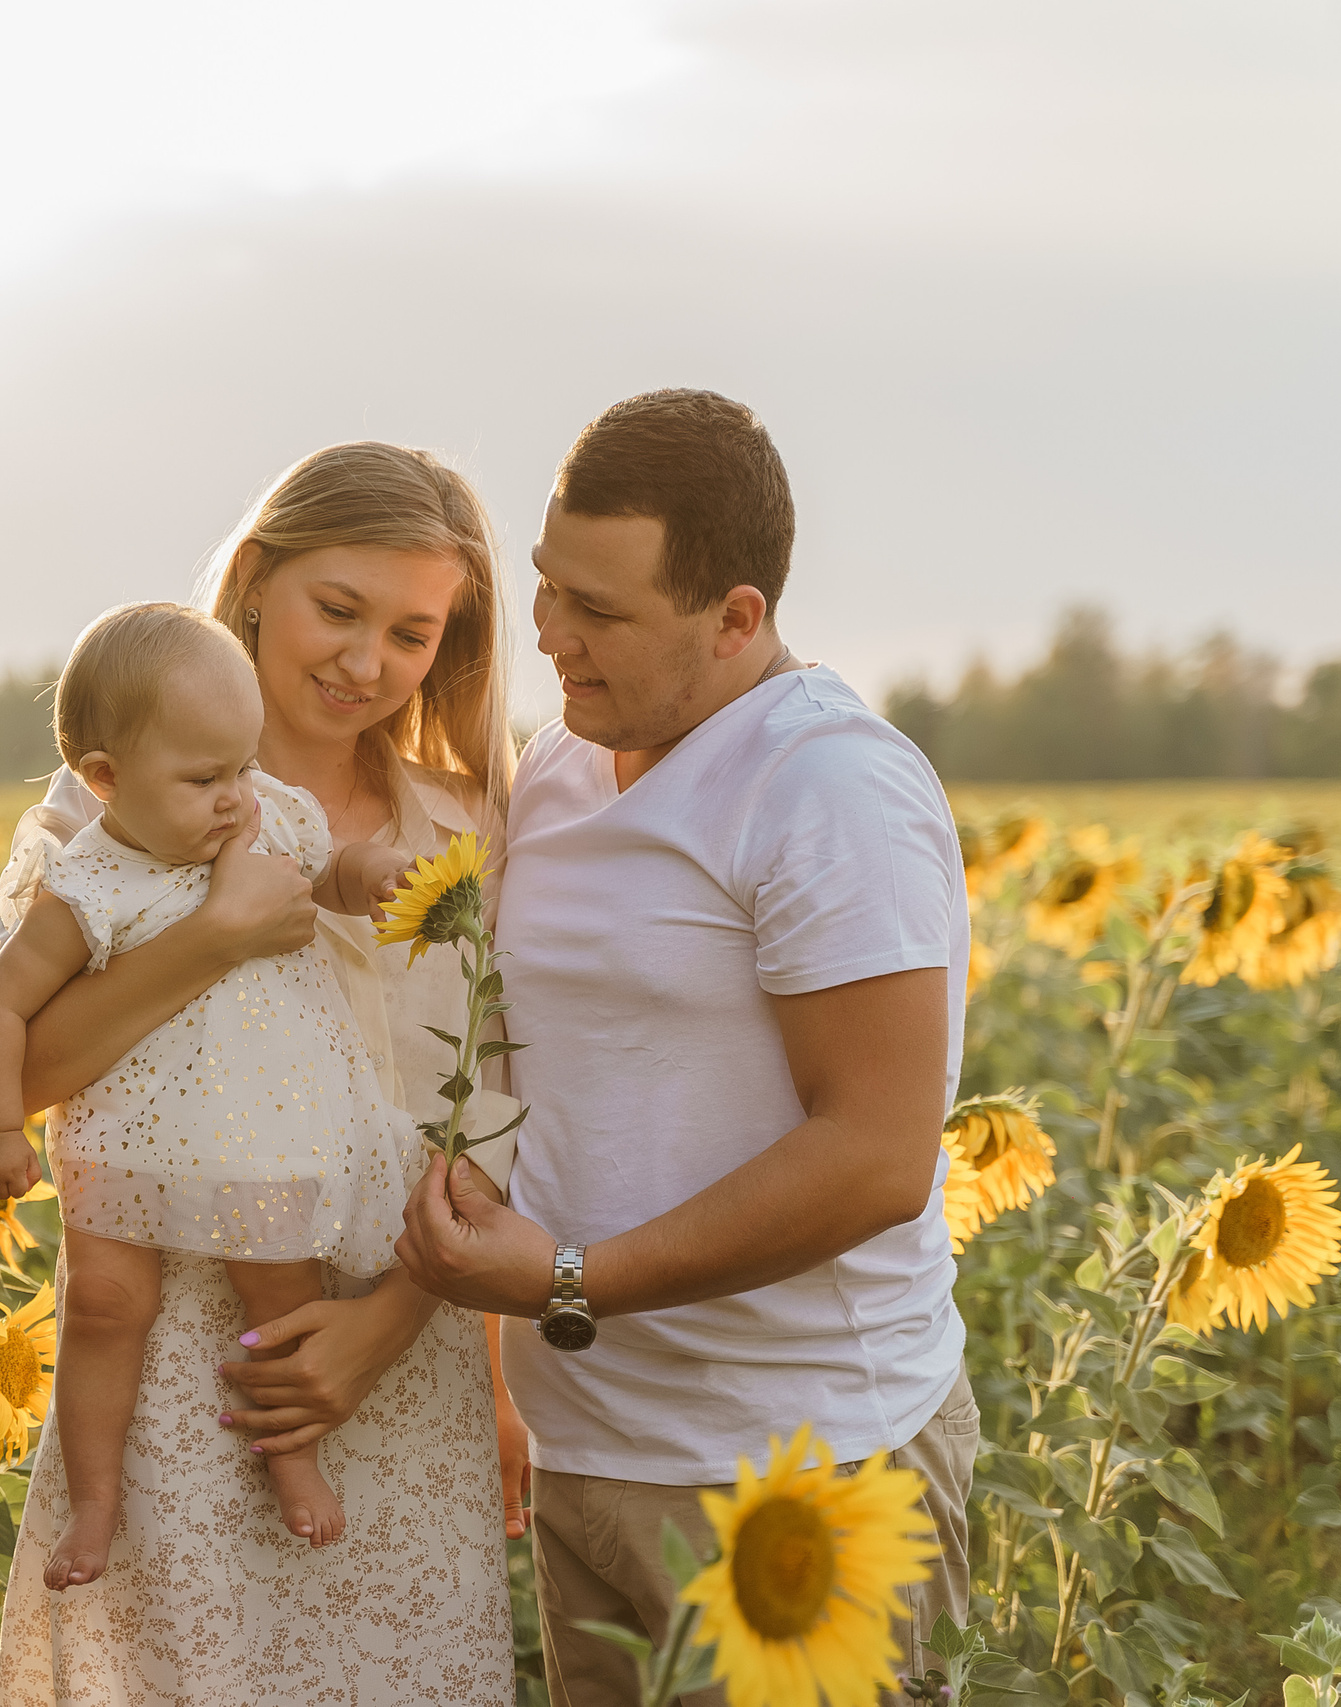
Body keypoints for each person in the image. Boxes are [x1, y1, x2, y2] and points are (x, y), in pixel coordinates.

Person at [396, 389, 978, 1706]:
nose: (550, 633)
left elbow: (876, 1154)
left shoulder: (826, 785)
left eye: (598, 611)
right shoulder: (561, 760)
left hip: (798, 1469)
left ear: (734, 619)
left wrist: (570, 1279)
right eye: (548, 585)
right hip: (593, 1453)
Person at [0, 443, 524, 1705]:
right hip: (179, 1363)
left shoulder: (465, 828)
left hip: (403, 1343)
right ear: (258, 580)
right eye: (338, 609)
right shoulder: (103, 811)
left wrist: (409, 1336)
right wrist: (214, 936)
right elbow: (7, 1069)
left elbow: (493, 1111)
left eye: (412, 634)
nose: (366, 662)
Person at [0, 600, 454, 1581]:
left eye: (243, 766)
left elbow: (328, 871)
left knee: (281, 1296)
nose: (235, 798)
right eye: (202, 779)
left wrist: (373, 873)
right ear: (104, 779)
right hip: (122, 1139)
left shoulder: (269, 818)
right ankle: (94, 1503)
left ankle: (293, 1457)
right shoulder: (88, 884)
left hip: (258, 1131)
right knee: (103, 1308)